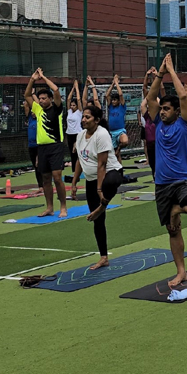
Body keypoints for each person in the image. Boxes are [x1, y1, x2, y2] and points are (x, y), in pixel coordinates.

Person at [146, 54, 187, 287]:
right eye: (161, 109)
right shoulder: (159, 124)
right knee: (173, 231)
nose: (162, 112)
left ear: (176, 111)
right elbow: (151, 97)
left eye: (166, 109)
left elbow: (183, 95)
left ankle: (175, 208)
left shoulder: (185, 123)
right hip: (162, 185)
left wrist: (171, 70)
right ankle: (181, 271)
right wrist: (160, 73)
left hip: (182, 182)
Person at [71, 105, 123, 270]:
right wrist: (74, 182)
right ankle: (103, 257)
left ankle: (102, 205)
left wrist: (100, 190)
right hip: (91, 179)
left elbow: (102, 164)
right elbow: (80, 160)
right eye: (83, 117)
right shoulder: (80, 136)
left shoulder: (102, 134)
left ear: (97, 120)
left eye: (87, 117)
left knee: (110, 182)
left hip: (110, 173)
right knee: (98, 221)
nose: (84, 120)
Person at [24, 68, 68, 218]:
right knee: (46, 179)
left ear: (49, 99)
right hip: (41, 148)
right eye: (40, 98)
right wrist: (32, 79)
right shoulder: (38, 110)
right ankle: (49, 207)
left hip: (55, 146)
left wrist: (43, 77)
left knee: (57, 177)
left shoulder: (57, 109)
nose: (41, 100)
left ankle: (63, 206)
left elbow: (55, 90)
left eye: (44, 98)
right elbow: (27, 95)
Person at [23, 96, 44, 193]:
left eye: (34, 111)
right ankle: (40, 186)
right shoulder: (30, 119)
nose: (32, 113)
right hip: (31, 146)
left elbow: (38, 105)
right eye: (32, 112)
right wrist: (28, 95)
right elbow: (26, 105)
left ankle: (45, 184)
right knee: (35, 167)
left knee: (39, 164)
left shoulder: (40, 118)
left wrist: (34, 95)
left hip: (39, 145)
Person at [106, 74, 128, 162]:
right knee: (114, 154)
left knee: (125, 141)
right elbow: (107, 95)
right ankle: (119, 169)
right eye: (112, 100)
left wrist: (117, 83)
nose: (113, 101)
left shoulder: (122, 107)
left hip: (120, 131)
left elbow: (121, 94)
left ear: (118, 101)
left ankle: (119, 148)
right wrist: (112, 84)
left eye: (115, 100)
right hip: (112, 132)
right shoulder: (111, 107)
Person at [141, 68, 158, 177]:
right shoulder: (147, 117)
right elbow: (144, 89)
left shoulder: (159, 117)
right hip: (150, 144)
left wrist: (157, 77)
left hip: (159, 143)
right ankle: (154, 177)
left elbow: (157, 92)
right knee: (152, 163)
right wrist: (147, 76)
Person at [65, 80, 83, 174]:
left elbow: (79, 100)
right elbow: (68, 99)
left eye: (73, 105)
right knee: (72, 152)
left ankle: (81, 168)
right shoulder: (69, 112)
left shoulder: (79, 112)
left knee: (77, 151)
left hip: (77, 133)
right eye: (71, 105)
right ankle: (74, 171)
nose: (72, 107)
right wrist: (72, 88)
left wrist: (77, 88)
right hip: (69, 133)